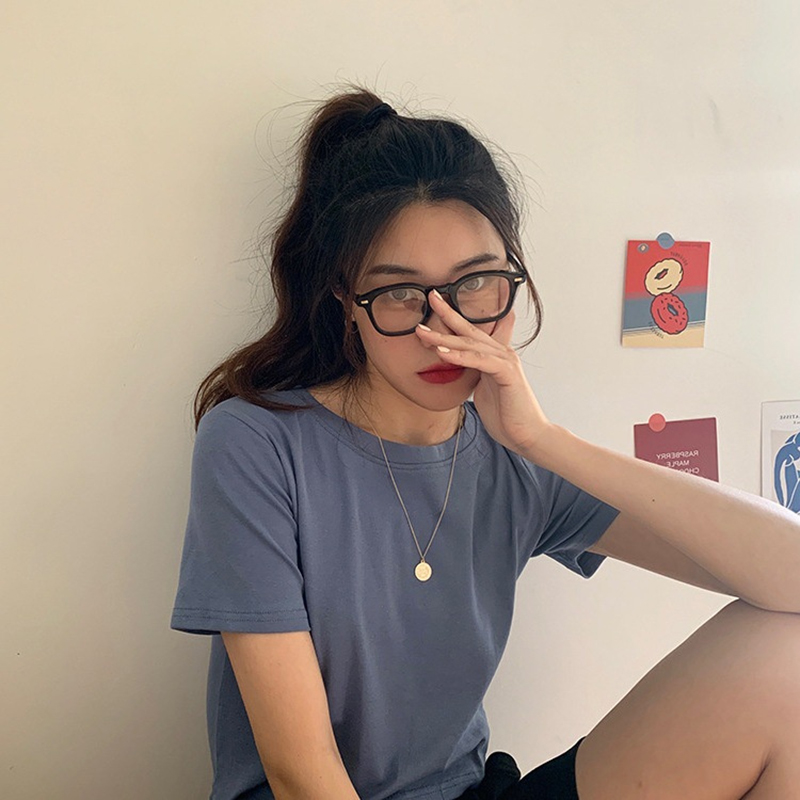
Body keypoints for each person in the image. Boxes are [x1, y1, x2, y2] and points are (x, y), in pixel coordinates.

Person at [171, 87, 800, 800]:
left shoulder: (518, 459)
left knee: (787, 658)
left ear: (512, 277)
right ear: (345, 300)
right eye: (400, 293)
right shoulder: (256, 443)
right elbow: (299, 772)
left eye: (475, 284)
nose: (444, 329)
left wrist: (546, 440)